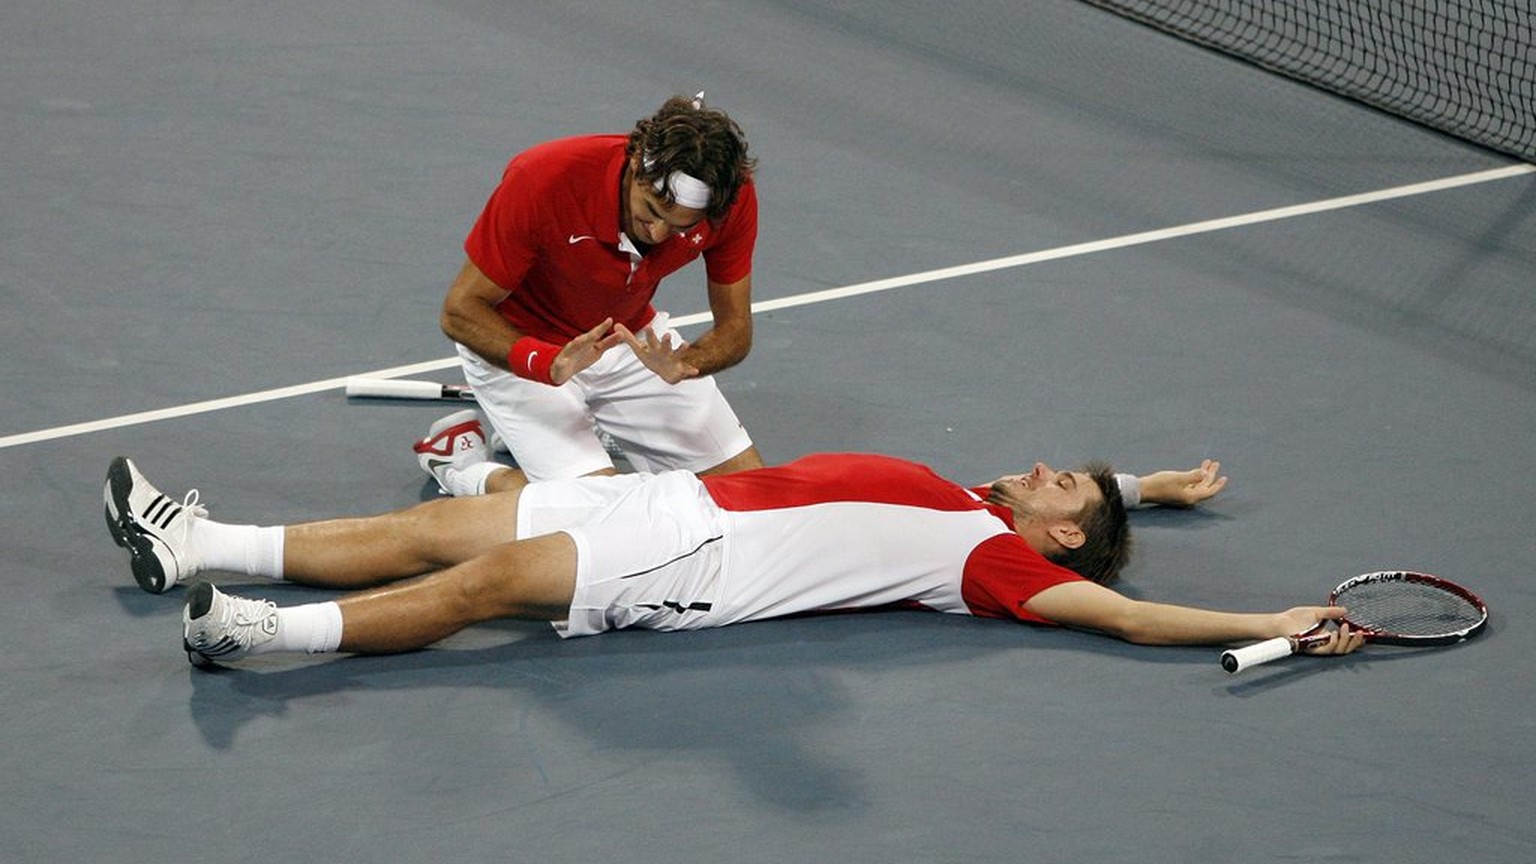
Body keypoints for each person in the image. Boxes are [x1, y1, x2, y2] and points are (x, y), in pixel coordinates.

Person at [101, 453, 1364, 667]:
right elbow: (1100, 502)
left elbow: (1133, 619)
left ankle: (257, 636)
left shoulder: (1004, 566)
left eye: (1064, 485)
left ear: (1062, 535)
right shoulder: (979, 500)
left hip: (700, 565)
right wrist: (1152, 487)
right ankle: (201, 547)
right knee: (442, 527)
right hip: (670, 496)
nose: (1037, 469)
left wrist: (1269, 614)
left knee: (479, 590)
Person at [418, 93, 764, 498]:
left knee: (747, 498)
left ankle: (586, 424)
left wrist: (687, 362)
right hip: (523, 346)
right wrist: (546, 363)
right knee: (601, 515)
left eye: (678, 228)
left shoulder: (730, 200)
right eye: (650, 211)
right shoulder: (545, 178)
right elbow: (459, 312)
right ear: (636, 165)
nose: (657, 235)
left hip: (625, 339)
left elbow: (736, 328)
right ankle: (463, 467)